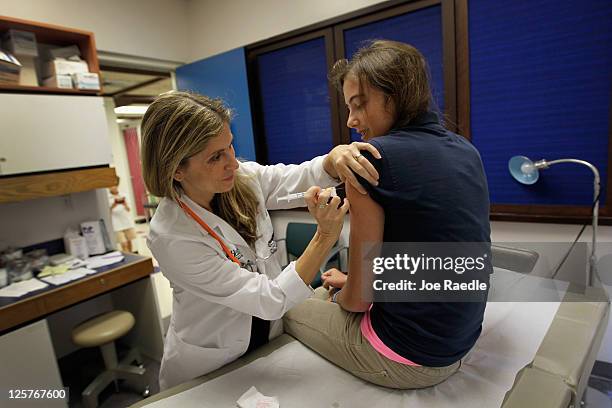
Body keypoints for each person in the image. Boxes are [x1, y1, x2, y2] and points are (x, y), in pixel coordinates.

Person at [284, 40, 491, 389]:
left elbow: (359, 300)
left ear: (393, 96)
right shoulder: (466, 150)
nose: (351, 121)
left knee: (289, 305)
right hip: (458, 344)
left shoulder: (370, 158)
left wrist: (346, 291)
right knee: (333, 289)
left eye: (358, 105)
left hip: (408, 360)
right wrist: (352, 282)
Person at [140, 91, 381, 390]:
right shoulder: (171, 236)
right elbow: (270, 299)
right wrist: (324, 237)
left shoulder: (241, 181)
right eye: (216, 157)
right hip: (211, 366)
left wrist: (334, 160)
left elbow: (298, 176)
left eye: (229, 146)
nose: (234, 164)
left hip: (266, 342)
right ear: (176, 169)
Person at [108, 178, 137, 253]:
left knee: (129, 241)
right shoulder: (107, 198)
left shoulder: (124, 195)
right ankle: (129, 257)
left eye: (114, 185)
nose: (113, 187)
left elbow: (129, 209)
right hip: (116, 224)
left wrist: (125, 204)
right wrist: (113, 205)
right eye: (111, 186)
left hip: (127, 221)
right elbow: (107, 212)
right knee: (124, 243)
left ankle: (132, 256)